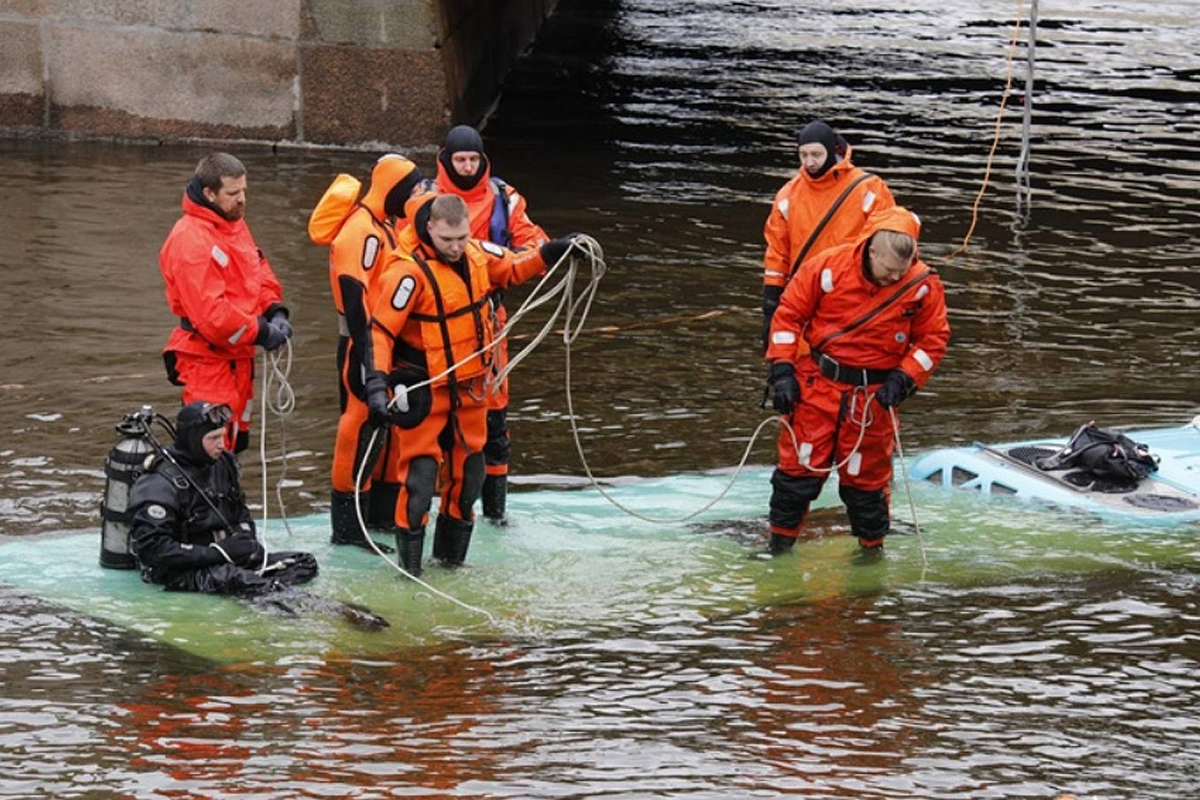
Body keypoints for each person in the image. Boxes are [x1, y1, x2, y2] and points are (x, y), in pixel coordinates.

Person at [365, 193, 576, 576]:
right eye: (447, 240)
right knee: (420, 481)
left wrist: (552, 252)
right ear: (430, 228)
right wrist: (377, 384)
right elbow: (380, 332)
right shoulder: (407, 273)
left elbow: (514, 266)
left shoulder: (479, 255)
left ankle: (451, 564)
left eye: (461, 238)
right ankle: (410, 572)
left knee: (468, 479)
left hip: (471, 389)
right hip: (424, 389)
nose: (456, 247)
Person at [764, 206, 949, 554]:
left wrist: (904, 378)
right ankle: (778, 546)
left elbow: (933, 340)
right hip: (818, 386)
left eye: (900, 272)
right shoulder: (827, 267)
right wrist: (783, 372)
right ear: (871, 249)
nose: (893, 279)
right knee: (796, 473)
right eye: (888, 270)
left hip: (873, 398)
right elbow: (788, 316)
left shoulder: (922, 286)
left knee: (867, 484)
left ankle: (871, 551)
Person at [433, 124, 550, 526]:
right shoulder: (425, 201)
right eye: (459, 160)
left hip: (489, 320)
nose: (466, 167)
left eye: (473, 160)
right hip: (441, 326)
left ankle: (496, 515)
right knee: (441, 425)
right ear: (446, 159)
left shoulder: (505, 198)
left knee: (495, 419)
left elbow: (533, 243)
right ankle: (447, 507)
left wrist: (498, 261)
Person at [309, 154, 424, 551]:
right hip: (363, 343)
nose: (412, 199)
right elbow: (353, 293)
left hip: (384, 343)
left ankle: (378, 512)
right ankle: (348, 525)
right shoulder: (363, 231)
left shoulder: (386, 227)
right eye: (409, 191)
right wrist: (366, 351)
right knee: (358, 425)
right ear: (392, 191)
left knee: (387, 429)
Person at [159, 153, 293, 454]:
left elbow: (256, 273)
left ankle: (228, 498)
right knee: (207, 447)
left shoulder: (233, 224)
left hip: (237, 357)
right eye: (233, 194)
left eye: (244, 191)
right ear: (209, 193)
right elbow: (213, 316)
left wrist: (274, 309)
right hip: (208, 360)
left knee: (234, 444)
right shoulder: (191, 240)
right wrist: (261, 331)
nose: (242, 199)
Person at [127, 401, 318, 596]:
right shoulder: (159, 482)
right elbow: (153, 550)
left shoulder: (222, 463)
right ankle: (284, 601)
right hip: (181, 570)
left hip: (225, 559)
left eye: (223, 436)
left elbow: (240, 510)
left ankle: (269, 590)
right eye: (214, 438)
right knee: (239, 580)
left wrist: (247, 542)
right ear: (193, 439)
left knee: (304, 562)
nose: (222, 444)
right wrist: (217, 553)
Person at [761, 120, 895, 352]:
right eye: (803, 155)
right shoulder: (788, 195)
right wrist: (771, 305)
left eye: (816, 154)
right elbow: (777, 254)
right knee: (799, 366)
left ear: (832, 151)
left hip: (852, 297)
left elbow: (888, 245)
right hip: (804, 296)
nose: (809, 162)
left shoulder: (869, 190)